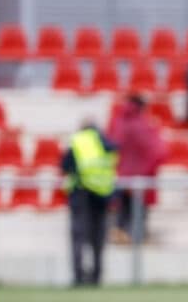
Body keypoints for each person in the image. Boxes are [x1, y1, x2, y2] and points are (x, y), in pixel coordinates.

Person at [60, 119, 118, 287]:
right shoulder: (106, 143)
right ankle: (97, 277)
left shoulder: (78, 141)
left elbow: (65, 166)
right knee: (98, 238)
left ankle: (78, 277)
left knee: (78, 237)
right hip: (102, 195)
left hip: (81, 194)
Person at [108, 94, 167, 245]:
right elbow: (159, 151)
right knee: (138, 213)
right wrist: (147, 169)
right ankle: (135, 240)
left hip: (122, 176)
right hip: (140, 178)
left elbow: (112, 146)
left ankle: (122, 234)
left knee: (123, 211)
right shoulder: (143, 125)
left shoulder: (118, 122)